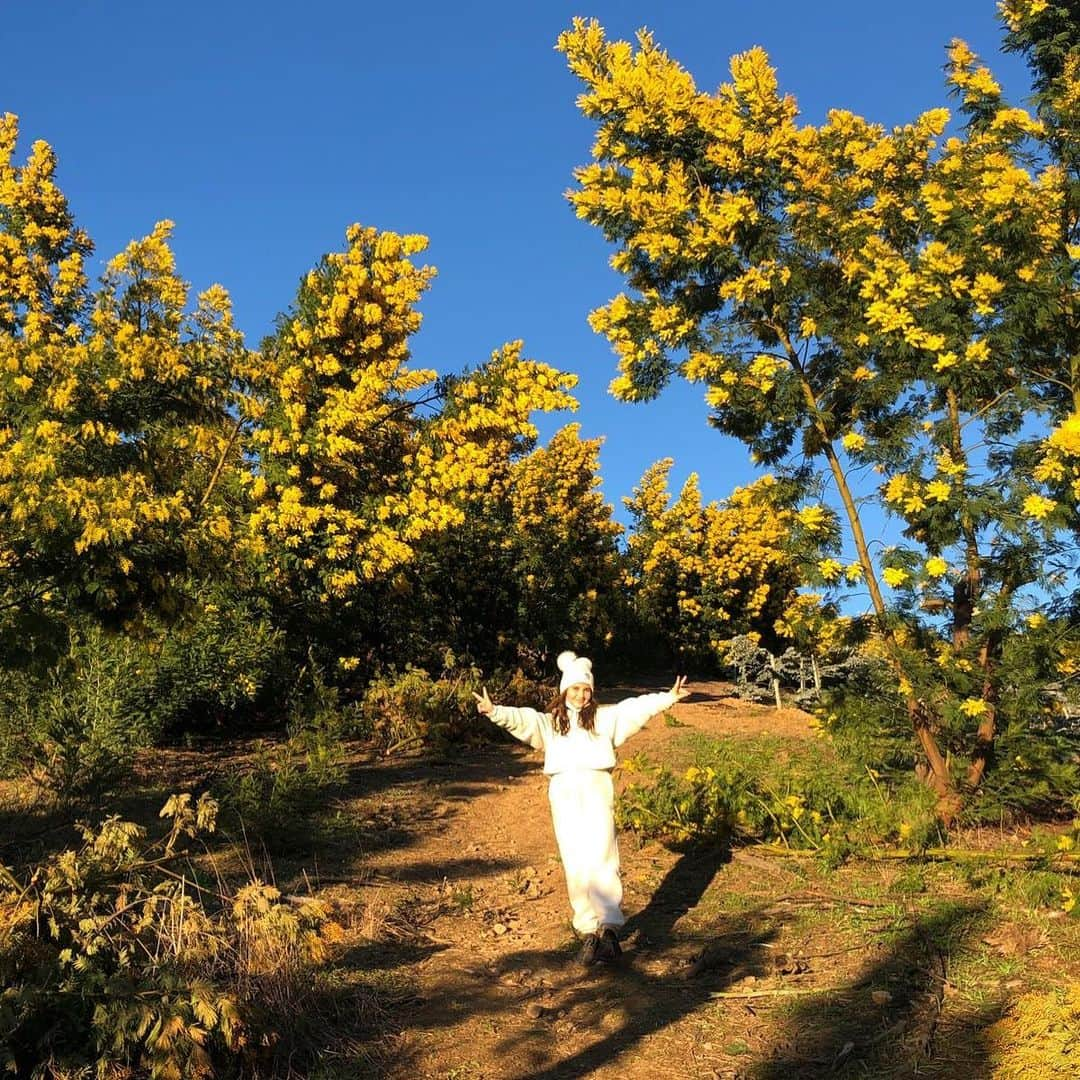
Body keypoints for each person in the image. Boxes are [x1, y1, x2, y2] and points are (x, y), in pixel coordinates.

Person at [473, 650, 690, 966]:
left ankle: (610, 929)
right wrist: (494, 710)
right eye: (575, 689)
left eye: (586, 689)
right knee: (574, 857)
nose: (581, 694)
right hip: (564, 790)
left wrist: (667, 698)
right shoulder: (551, 723)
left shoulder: (603, 718)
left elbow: (636, 709)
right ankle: (589, 932)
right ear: (565, 690)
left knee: (602, 853)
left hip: (597, 786)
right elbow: (523, 718)